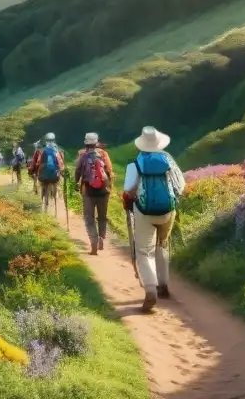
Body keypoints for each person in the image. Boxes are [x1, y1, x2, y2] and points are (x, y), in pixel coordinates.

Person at [121, 126, 185, 313]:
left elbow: (128, 189)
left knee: (144, 251)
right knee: (162, 244)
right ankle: (163, 285)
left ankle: (150, 289)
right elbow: (181, 186)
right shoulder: (169, 161)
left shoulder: (136, 164)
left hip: (144, 212)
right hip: (168, 212)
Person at [74, 132, 113, 255]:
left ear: (86, 143)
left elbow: (78, 171)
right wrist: (109, 186)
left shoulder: (82, 154)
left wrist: (76, 183)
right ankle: (102, 237)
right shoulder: (103, 154)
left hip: (88, 190)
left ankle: (93, 242)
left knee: (89, 218)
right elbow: (109, 171)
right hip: (103, 190)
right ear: (96, 142)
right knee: (102, 216)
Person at [31, 134, 64, 216]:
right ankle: (56, 208)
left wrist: (34, 171)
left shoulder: (41, 151)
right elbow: (61, 164)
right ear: (54, 140)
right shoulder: (59, 151)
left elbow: (37, 163)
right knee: (56, 185)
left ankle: (44, 207)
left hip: (43, 177)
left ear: (45, 140)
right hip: (55, 177)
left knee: (43, 188)